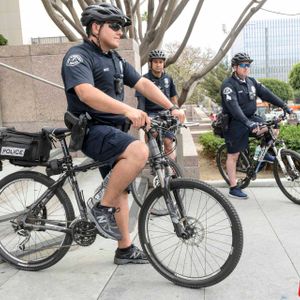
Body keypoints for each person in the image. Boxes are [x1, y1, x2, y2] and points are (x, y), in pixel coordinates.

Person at [61, 3, 185, 265]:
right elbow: (85, 92)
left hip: (114, 133)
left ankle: (125, 249)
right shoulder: (78, 56)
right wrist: (129, 110)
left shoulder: (115, 59)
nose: (120, 32)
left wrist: (171, 106)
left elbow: (143, 83)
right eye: (115, 26)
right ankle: (101, 208)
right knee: (138, 151)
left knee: (122, 190)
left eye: (122, 27)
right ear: (96, 27)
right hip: (92, 131)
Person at [221, 52, 292, 200]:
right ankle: (233, 187)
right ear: (235, 67)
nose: (246, 68)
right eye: (243, 65)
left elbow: (268, 94)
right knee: (233, 155)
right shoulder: (228, 85)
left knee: (271, 128)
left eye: (248, 65)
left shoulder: (251, 82)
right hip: (235, 122)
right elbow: (234, 108)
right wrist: (248, 123)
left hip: (251, 117)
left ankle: (262, 152)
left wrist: (285, 106)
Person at [135, 50, 178, 160]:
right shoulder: (144, 79)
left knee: (168, 143)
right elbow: (141, 101)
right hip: (151, 113)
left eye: (160, 62)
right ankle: (156, 165)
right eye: (155, 62)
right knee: (152, 138)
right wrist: (143, 117)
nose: (158, 65)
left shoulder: (168, 78)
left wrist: (176, 109)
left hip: (166, 113)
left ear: (163, 63)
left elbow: (173, 96)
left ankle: (173, 174)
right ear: (150, 63)